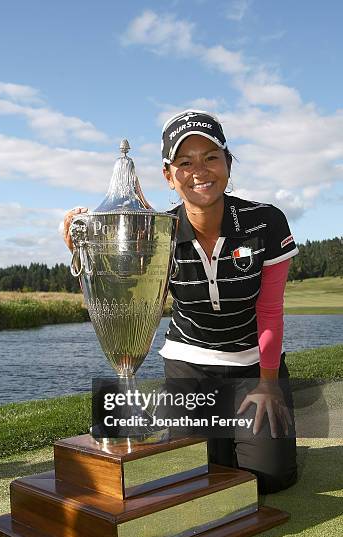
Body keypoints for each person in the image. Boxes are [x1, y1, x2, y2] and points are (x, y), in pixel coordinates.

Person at [63, 109, 299, 494]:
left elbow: (270, 310)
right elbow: (123, 306)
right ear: (169, 176)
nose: (199, 171)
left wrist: (268, 383)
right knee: (196, 475)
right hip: (190, 368)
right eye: (184, 163)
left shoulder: (265, 221)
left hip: (255, 367)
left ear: (227, 163)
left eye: (211, 158)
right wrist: (84, 252)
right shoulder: (159, 232)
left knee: (269, 480)